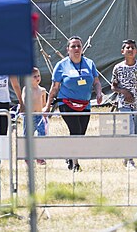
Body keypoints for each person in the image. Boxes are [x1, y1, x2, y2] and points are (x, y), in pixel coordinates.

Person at [44, 36, 103, 172]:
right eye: (73, 46)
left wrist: (99, 93)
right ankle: (75, 165)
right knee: (75, 130)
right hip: (66, 102)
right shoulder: (61, 65)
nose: (76, 49)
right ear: (67, 49)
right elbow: (54, 87)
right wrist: (48, 106)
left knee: (81, 134)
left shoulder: (89, 63)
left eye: (79, 46)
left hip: (85, 104)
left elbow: (96, 82)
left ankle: (69, 155)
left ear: (82, 49)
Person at [111, 39, 137, 170]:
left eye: (133, 47)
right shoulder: (118, 68)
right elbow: (113, 86)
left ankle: (127, 156)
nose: (130, 50)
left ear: (136, 51)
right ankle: (130, 160)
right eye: (127, 47)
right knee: (128, 131)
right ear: (122, 51)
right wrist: (123, 91)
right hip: (124, 105)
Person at [21, 67, 48, 165]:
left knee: (41, 135)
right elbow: (24, 100)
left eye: (38, 76)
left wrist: (45, 111)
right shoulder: (26, 89)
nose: (37, 78)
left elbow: (44, 104)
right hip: (29, 116)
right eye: (34, 76)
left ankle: (40, 157)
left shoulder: (42, 90)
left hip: (39, 116)